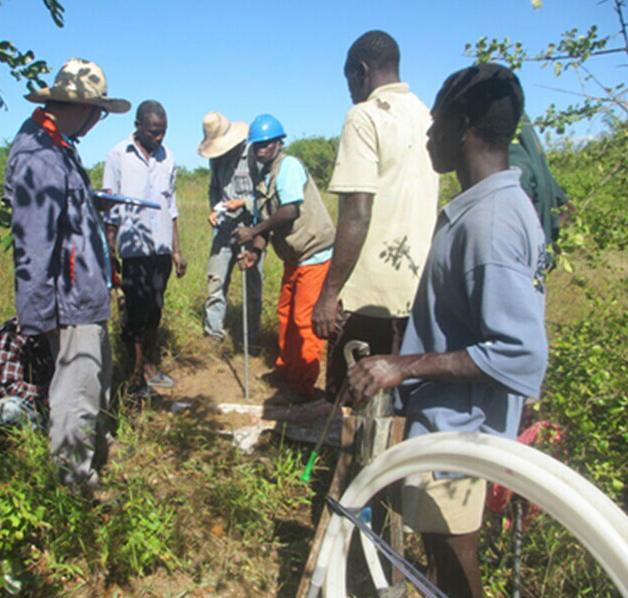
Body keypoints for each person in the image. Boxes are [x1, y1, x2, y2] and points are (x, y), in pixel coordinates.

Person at [347, 63, 548, 598]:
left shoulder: (491, 223)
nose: (428, 137)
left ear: (463, 126)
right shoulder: (481, 210)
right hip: (446, 426)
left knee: (457, 570)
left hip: (463, 433)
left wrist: (403, 365)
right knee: (438, 562)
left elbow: (519, 354)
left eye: (434, 125)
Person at [6, 58, 130, 490]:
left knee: (95, 383)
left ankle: (96, 454)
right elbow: (35, 242)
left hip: (86, 295)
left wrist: (90, 204)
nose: (97, 121)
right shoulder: (38, 154)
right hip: (70, 301)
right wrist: (37, 316)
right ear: (79, 107)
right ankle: (75, 486)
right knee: (75, 394)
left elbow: (63, 215)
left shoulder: (59, 145)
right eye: (97, 112)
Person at [312, 30, 439, 400]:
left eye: (349, 80)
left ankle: (350, 460)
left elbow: (358, 213)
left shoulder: (364, 117)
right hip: (414, 290)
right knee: (393, 401)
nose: (350, 90)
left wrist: (329, 293)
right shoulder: (427, 116)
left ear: (360, 72)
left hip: (365, 296)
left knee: (351, 400)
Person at [233, 114, 335, 400]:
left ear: (279, 143)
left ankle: (303, 387)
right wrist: (254, 250)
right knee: (285, 315)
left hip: (314, 253)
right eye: (256, 145)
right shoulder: (263, 175)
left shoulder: (288, 166)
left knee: (304, 322)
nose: (261, 150)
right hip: (295, 257)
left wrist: (253, 230)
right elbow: (268, 219)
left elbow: (289, 211)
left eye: (266, 144)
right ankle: (287, 370)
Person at [103, 100, 187, 395]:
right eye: (154, 132)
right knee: (135, 313)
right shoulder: (117, 156)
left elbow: (171, 207)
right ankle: (136, 376)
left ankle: (150, 367)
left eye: (163, 131)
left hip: (161, 250)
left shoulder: (168, 157)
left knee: (155, 310)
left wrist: (177, 251)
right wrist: (109, 255)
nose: (160, 137)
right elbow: (110, 209)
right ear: (138, 126)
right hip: (134, 250)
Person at [198, 111, 263, 350]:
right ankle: (213, 335)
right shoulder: (216, 160)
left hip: (250, 229)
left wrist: (243, 203)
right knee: (216, 282)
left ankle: (251, 338)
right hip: (224, 229)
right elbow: (214, 189)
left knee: (252, 287)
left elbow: (265, 198)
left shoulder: (254, 156)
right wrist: (215, 210)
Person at [510, 114, 571, 268]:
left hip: (522, 266)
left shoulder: (516, 166)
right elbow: (567, 208)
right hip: (539, 263)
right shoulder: (536, 163)